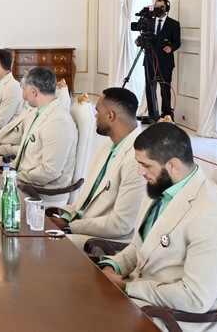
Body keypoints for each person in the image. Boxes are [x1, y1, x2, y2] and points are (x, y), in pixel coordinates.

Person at [99, 123, 217, 327]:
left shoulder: (213, 213)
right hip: (143, 303)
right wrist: (113, 266)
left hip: (173, 319)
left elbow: (195, 298)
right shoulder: (160, 187)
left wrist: (127, 288)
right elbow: (139, 247)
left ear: (173, 165)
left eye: (145, 165)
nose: (139, 171)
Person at [48, 87, 145, 247]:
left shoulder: (137, 159)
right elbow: (87, 199)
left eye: (98, 111)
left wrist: (69, 226)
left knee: (44, 246)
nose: (95, 115)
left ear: (110, 116)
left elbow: (120, 224)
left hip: (104, 241)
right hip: (80, 226)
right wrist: (65, 217)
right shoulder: (108, 144)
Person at [0, 67, 77, 205]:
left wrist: (15, 177)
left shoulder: (58, 122)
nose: (23, 95)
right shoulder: (40, 112)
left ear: (33, 91)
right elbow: (30, 149)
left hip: (40, 193)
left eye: (23, 88)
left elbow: (50, 172)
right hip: (25, 181)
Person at [136, 0, 181, 119]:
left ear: (167, 8)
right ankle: (151, 114)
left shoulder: (174, 24)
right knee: (150, 87)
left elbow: (177, 42)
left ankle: (166, 115)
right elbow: (144, 37)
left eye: (161, 7)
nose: (158, 9)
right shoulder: (149, 22)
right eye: (156, 6)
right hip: (149, 60)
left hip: (165, 62)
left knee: (165, 88)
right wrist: (139, 41)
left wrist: (170, 48)